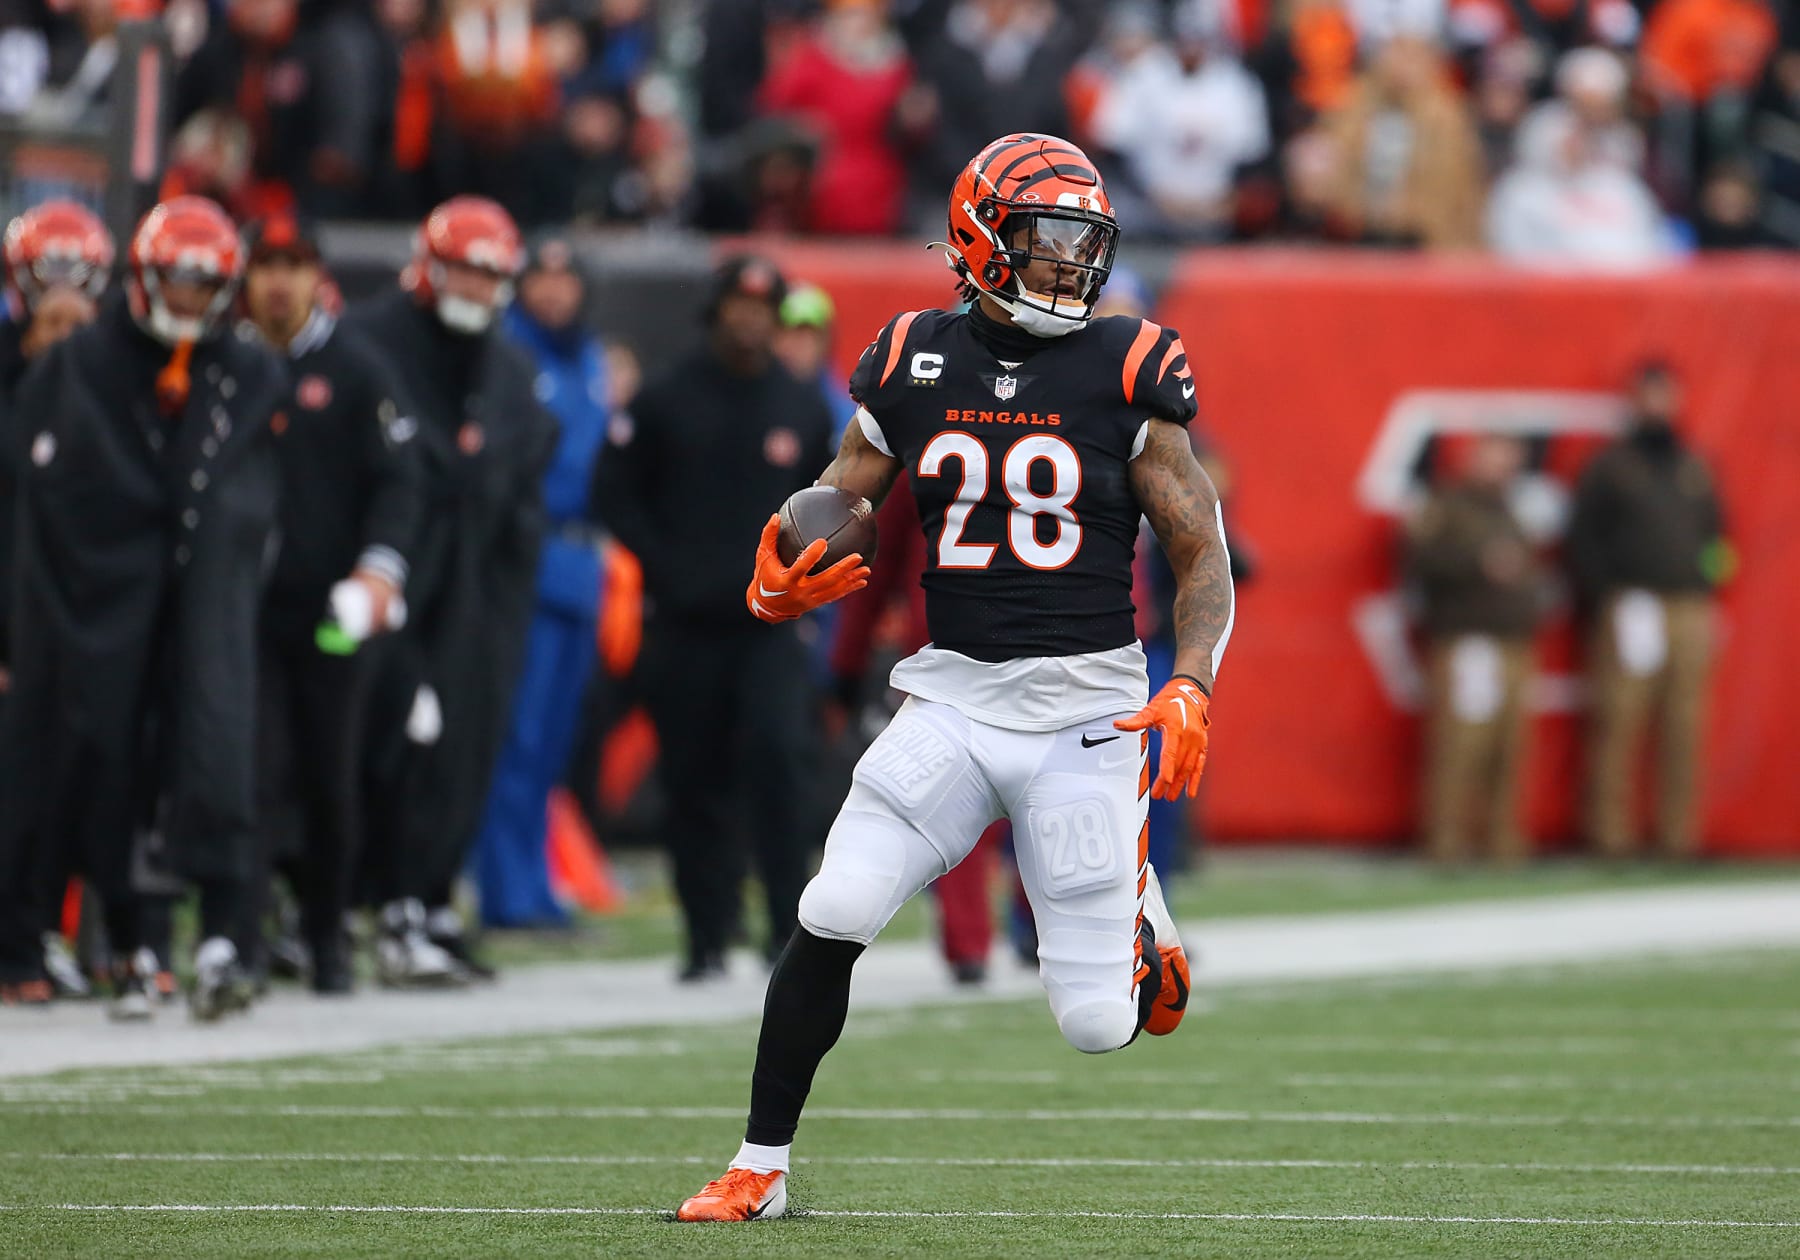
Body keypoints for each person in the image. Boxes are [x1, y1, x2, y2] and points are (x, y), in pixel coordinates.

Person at [675, 132, 1235, 1222]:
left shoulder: (1130, 365)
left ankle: (1134, 909)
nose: (1072, 263)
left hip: (1087, 714)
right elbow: (845, 494)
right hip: (956, 697)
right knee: (831, 905)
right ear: (981, 239)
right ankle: (760, 1165)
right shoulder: (910, 356)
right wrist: (781, 567)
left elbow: (1200, 547)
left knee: (1096, 1024)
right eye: (1047, 239)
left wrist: (1195, 680)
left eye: (1084, 241)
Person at [0, 196, 286, 1021]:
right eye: (179, 281)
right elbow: (55, 490)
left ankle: (173, 938)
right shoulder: (82, 364)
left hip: (200, 604)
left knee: (205, 756)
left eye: (205, 285)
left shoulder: (247, 369)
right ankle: (46, 938)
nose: (189, 300)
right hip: (85, 597)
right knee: (71, 761)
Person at [594, 255, 836, 981]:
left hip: (769, 626)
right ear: (717, 309)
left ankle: (788, 932)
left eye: (765, 307)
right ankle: (705, 935)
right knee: (693, 776)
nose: (751, 318)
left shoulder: (801, 403)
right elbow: (615, 493)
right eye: (740, 304)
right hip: (685, 622)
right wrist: (666, 568)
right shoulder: (666, 397)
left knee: (776, 769)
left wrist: (805, 578)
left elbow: (829, 505)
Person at [344, 196, 556, 984]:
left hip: (471, 583)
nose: (475, 285)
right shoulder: (370, 343)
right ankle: (341, 901)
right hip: (382, 571)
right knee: (368, 739)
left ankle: (424, 895)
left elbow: (523, 474)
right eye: (464, 268)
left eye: (488, 272)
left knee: (464, 739)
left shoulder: (508, 366)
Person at [243, 214, 420, 993]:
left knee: (329, 770)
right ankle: (242, 934)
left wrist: (377, 574)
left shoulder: (356, 367)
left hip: (331, 614)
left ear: (318, 275)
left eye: (294, 263)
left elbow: (400, 482)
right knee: (248, 769)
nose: (279, 280)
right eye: (266, 263)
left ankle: (326, 935)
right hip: (241, 610)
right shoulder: (225, 363)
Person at [470, 234, 612, 929]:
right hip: (530, 554)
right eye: (541, 278)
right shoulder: (511, 353)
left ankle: (535, 880)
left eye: (566, 278)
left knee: (555, 737)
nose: (554, 292)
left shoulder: (590, 358)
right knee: (516, 732)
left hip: (581, 564)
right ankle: (504, 888)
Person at [0, 199, 113, 1006]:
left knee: (68, 783)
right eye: (51, 283)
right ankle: (13, 944)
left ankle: (38, 931)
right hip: (13, 607)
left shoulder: (119, 379)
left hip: (84, 609)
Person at [1567, 363, 1731, 859]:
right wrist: (1606, 599)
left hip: (1688, 607)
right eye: (1648, 395)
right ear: (1633, 400)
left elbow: (1718, 539)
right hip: (1631, 605)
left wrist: (1710, 586)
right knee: (1620, 720)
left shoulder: (1693, 464)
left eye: (1666, 395)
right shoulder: (1610, 465)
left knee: (1685, 724)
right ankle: (1610, 834)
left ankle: (1678, 835)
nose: (1657, 405)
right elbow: (1583, 540)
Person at [1405, 434, 1547, 865]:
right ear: (1473, 459)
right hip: (1468, 641)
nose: (1500, 469)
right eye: (1493, 458)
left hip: (1512, 640)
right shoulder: (1446, 505)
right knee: (1460, 745)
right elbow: (1418, 559)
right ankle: (1446, 840)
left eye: (1508, 462)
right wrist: (1478, 561)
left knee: (1508, 747)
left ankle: (1501, 840)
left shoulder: (1511, 511)